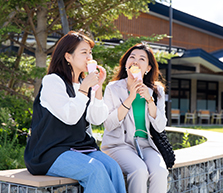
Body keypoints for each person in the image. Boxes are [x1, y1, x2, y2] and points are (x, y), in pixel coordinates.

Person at [24, 31, 126, 193]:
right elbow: (69, 117)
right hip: (49, 151)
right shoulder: (52, 81)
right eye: (84, 52)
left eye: (90, 53)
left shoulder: (83, 84)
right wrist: (85, 88)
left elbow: (97, 118)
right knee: (95, 170)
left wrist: (98, 87)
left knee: (113, 167)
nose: (89, 57)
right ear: (68, 57)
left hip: (80, 147)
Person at [101, 43, 169, 193]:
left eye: (142, 59)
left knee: (160, 172)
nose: (135, 61)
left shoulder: (156, 91)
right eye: (132, 57)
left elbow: (160, 126)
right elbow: (109, 124)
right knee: (139, 170)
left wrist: (149, 100)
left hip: (146, 145)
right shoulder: (113, 88)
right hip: (118, 145)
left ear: (148, 68)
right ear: (126, 64)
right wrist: (130, 97)